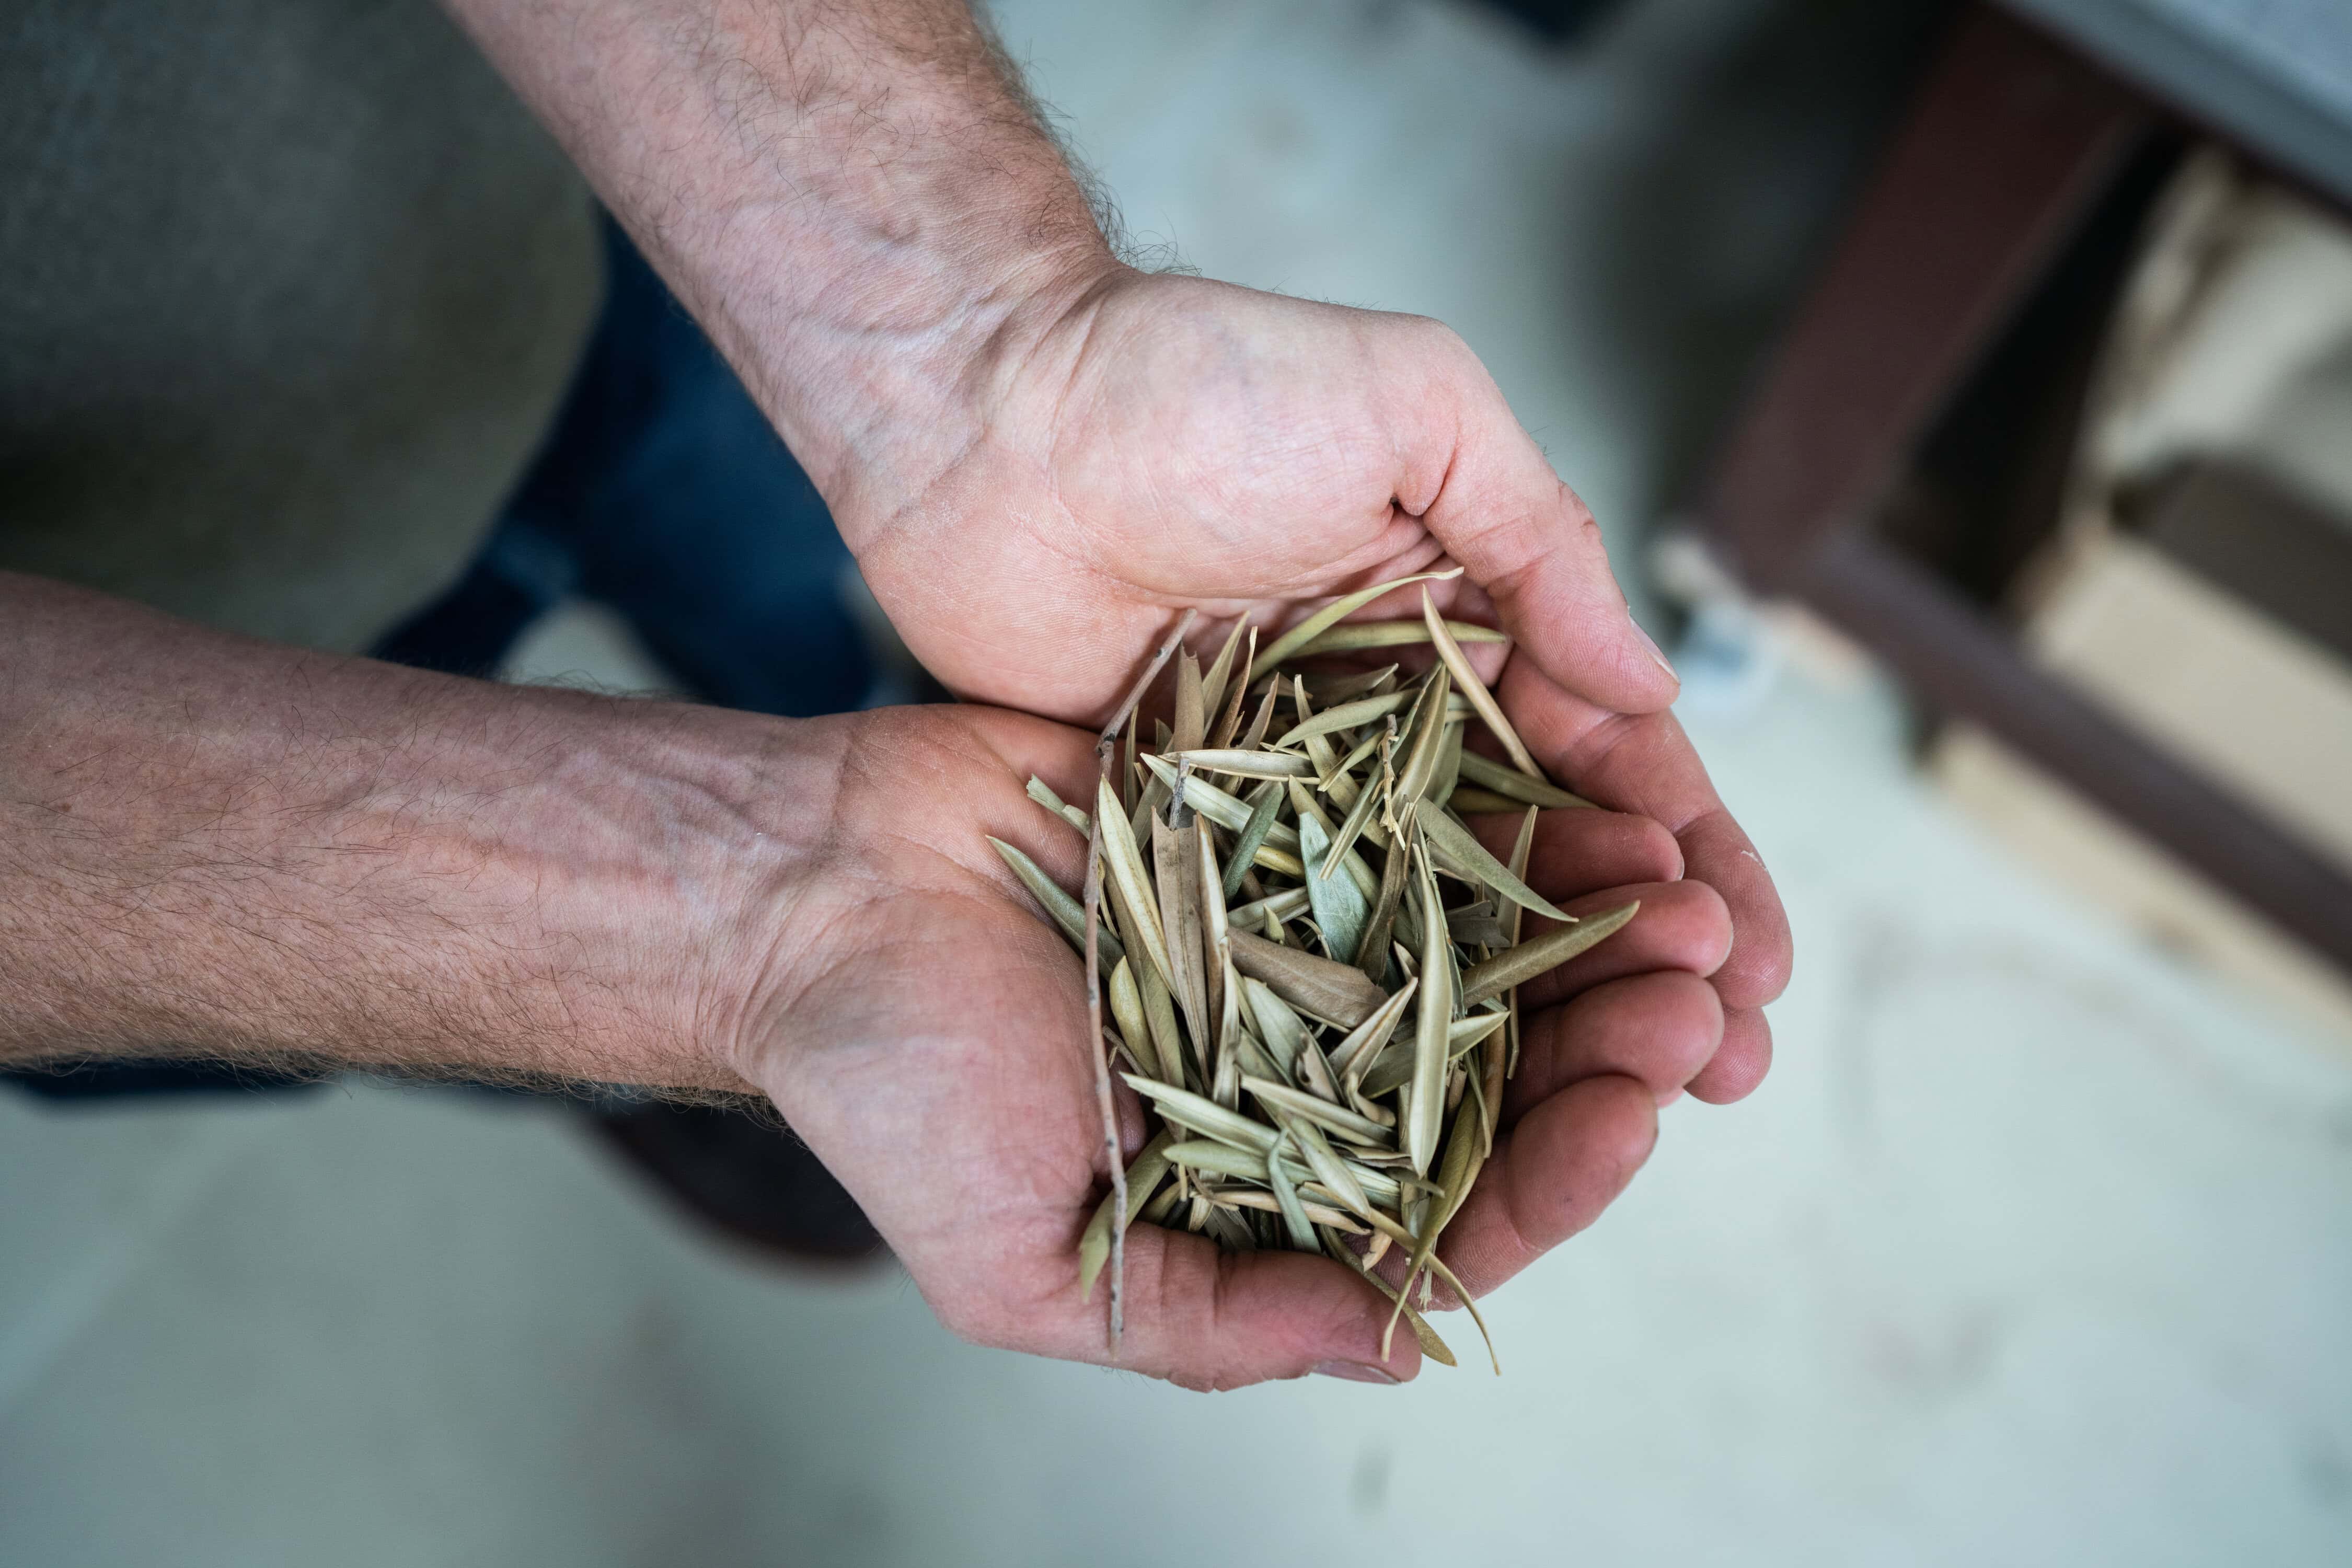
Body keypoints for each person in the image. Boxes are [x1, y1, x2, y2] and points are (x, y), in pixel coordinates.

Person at [0, 0, 1791, 1390]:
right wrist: (714, 935)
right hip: (113, 668)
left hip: (508, 212)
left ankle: (847, 779)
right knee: (363, 969)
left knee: (763, 547)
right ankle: (642, 1041)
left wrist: (980, 341)